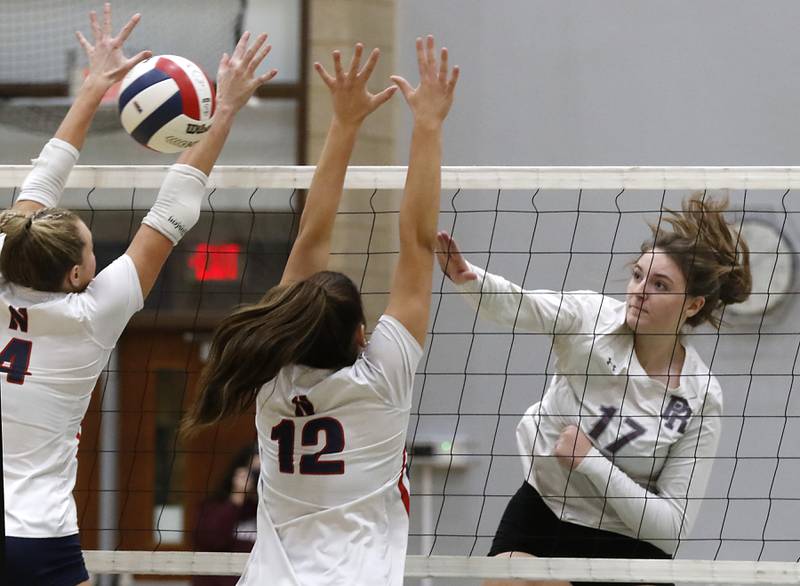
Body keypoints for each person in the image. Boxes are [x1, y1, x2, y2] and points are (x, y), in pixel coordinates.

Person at [1, 4, 277, 584]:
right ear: (76, 276)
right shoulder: (91, 316)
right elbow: (173, 208)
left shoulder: (11, 260)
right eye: (91, 249)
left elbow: (38, 184)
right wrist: (223, 110)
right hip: (37, 538)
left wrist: (94, 85)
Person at [181, 36, 459, 585]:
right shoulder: (381, 381)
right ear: (363, 334)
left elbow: (315, 236)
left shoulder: (271, 383)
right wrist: (426, 125)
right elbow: (421, 242)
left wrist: (346, 123)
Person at [436, 194, 752, 586]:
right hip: (548, 507)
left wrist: (591, 462)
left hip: (628, 540)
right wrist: (470, 279)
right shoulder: (590, 320)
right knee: (504, 579)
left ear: (692, 305)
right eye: (637, 275)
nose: (639, 290)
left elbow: (672, 527)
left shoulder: (700, 396)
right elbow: (523, 305)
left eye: (660, 285)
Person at [193, 445, 260, 586]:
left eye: (263, 473)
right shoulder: (215, 506)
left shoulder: (276, 511)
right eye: (255, 472)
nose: (259, 478)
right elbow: (210, 541)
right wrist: (237, 496)